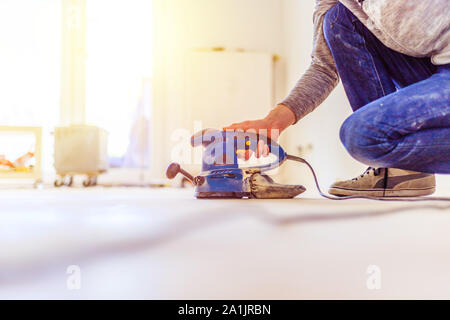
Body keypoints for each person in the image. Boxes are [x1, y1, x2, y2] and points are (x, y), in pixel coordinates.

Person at [224, 0, 450, 197]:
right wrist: (271, 123)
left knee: (362, 136)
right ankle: (398, 171)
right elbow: (324, 67)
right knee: (339, 20)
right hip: (437, 72)